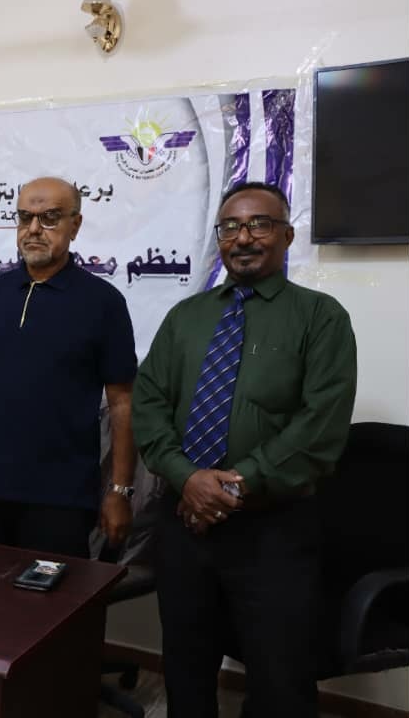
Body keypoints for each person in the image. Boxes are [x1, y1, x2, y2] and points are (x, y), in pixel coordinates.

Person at [132, 181, 357, 717]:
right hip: (184, 524)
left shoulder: (321, 317)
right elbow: (149, 404)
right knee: (185, 668)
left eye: (259, 224)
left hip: (272, 531)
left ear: (287, 236)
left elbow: (320, 426)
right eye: (230, 226)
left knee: (281, 678)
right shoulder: (186, 317)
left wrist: (230, 487)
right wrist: (186, 478)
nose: (243, 237)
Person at [0, 177, 138, 557]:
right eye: (25, 217)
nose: (33, 229)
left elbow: (122, 404)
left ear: (75, 225)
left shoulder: (104, 303)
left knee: (54, 596)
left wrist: (119, 491)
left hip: (61, 502)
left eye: (49, 218)